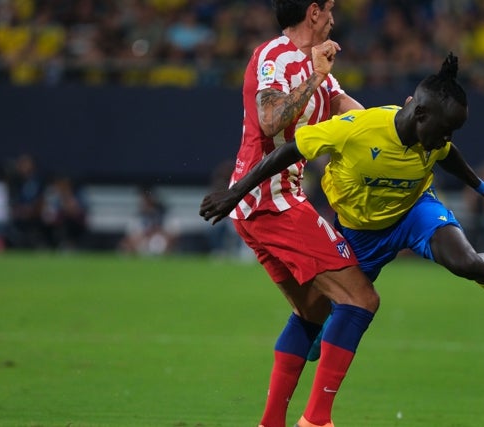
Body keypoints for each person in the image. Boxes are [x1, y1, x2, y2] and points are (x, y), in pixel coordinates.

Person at [201, 52, 484, 418]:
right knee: (313, 313)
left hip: (415, 213)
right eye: (444, 129)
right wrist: (236, 192)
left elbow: (447, 153)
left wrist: (481, 187)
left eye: (453, 131)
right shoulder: (358, 129)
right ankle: (280, 407)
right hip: (358, 233)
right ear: (419, 114)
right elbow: (288, 151)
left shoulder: (433, 137)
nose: (446, 137)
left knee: (467, 262)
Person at [204, 1, 374, 427]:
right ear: (313, 12)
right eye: (330, 8)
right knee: (359, 299)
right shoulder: (274, 57)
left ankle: (271, 423)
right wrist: (315, 73)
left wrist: (398, 127)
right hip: (270, 202)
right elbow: (269, 120)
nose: (335, 18)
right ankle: (317, 420)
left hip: (264, 205)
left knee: (313, 312)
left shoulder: (322, 72)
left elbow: (356, 115)